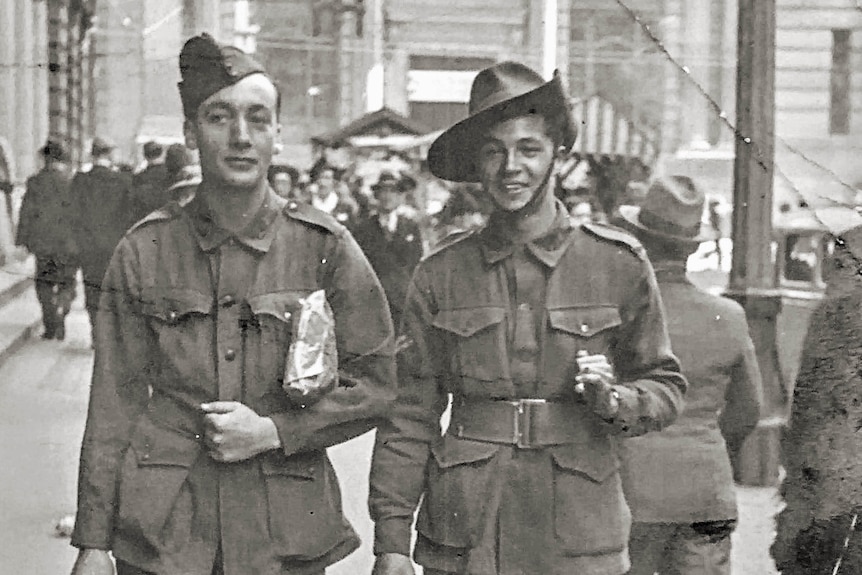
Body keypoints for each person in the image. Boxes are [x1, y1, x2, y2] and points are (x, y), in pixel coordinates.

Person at [69, 33, 396, 575]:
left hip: (283, 533)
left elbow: (380, 380)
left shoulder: (324, 246)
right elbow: (113, 403)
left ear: (277, 136)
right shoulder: (144, 250)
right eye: (219, 117)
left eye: (257, 118)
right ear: (190, 133)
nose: (240, 136)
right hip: (164, 534)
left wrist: (274, 431)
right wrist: (93, 540)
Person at [368, 61, 687, 575]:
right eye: (494, 151)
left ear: (558, 157)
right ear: (476, 162)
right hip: (468, 528)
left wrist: (617, 401)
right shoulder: (441, 273)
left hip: (577, 534)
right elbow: (408, 416)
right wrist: (391, 542)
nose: (510, 166)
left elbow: (665, 384)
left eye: (528, 149)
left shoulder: (616, 263)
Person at [614, 175, 764, 575]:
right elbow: (749, 410)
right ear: (691, 248)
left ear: (639, 240)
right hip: (705, 491)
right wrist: (705, 444)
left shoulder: (619, 315)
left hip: (632, 493)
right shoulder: (728, 316)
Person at [771, 224, 862, 575]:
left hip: (832, 489)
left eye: (839, 266)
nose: (828, 277)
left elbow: (808, 407)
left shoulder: (833, 318)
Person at [69, 135, 133, 341]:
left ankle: (95, 330)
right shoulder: (122, 181)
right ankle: (109, 333)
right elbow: (128, 216)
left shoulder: (80, 181)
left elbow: (72, 213)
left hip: (88, 246)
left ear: (93, 154)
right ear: (109, 154)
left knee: (92, 288)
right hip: (114, 246)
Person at [15, 138, 78, 340]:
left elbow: (27, 213)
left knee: (44, 284)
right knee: (67, 282)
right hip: (67, 244)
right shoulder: (72, 182)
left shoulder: (35, 182)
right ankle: (63, 307)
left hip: (43, 245)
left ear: (46, 158)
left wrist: (23, 242)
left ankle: (51, 323)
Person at [352, 171, 424, 331]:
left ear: (400, 197)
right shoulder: (363, 229)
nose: (388, 197)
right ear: (376, 196)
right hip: (374, 300)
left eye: (393, 192)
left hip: (403, 300)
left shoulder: (410, 227)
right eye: (383, 191)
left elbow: (416, 262)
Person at [129, 141, 170, 223]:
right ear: (162, 153)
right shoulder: (169, 174)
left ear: (145, 155)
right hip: (166, 216)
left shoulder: (139, 178)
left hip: (145, 218)